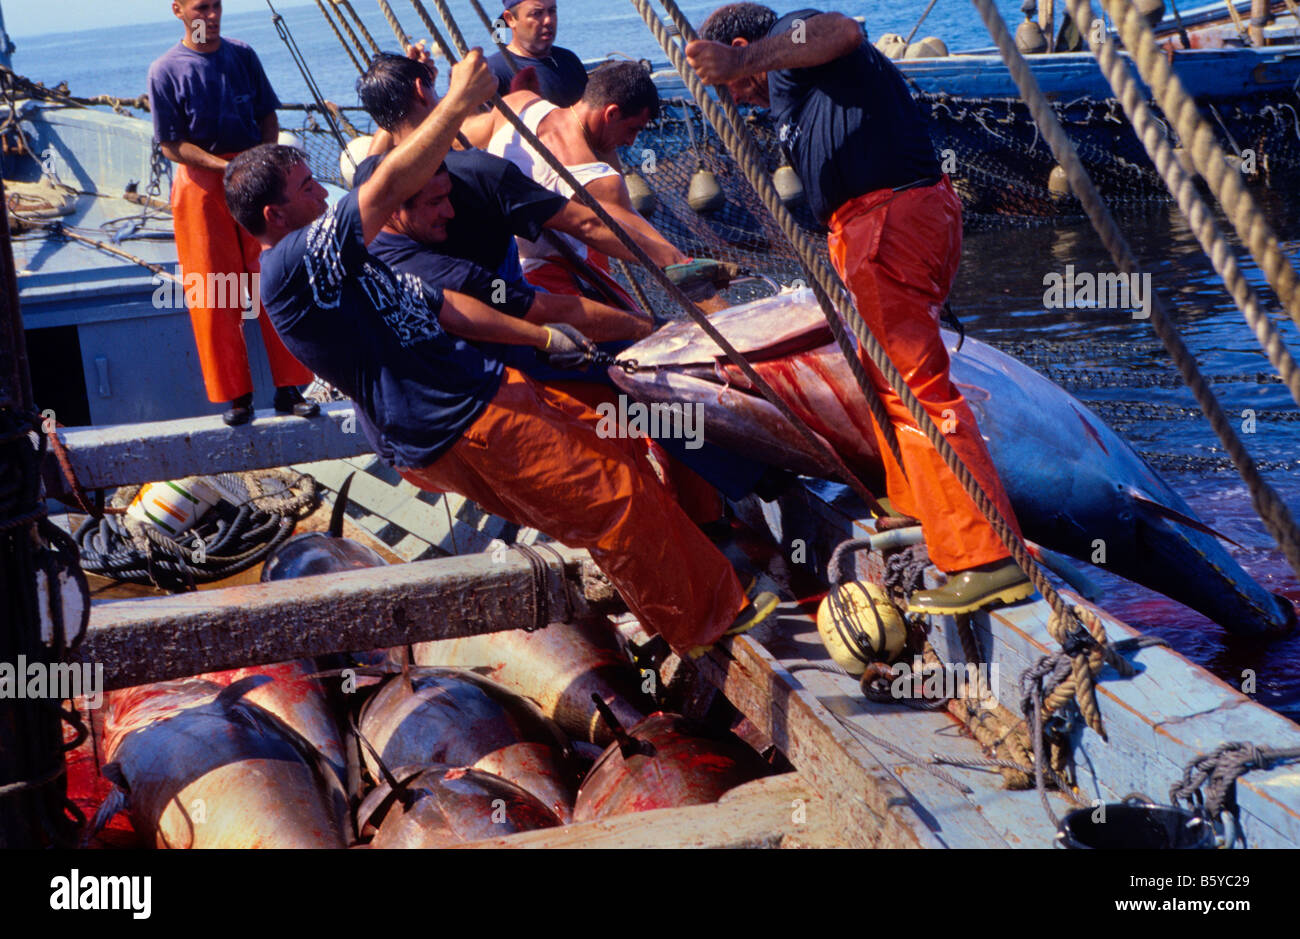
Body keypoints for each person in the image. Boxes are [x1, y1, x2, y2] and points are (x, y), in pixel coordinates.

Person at [224, 50, 775, 656]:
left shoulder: (347, 263)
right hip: (461, 418)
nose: (323, 197)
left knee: (611, 439)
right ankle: (708, 619)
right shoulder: (295, 262)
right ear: (276, 214)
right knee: (612, 497)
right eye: (308, 189)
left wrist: (540, 340)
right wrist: (456, 101)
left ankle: (674, 577)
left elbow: (443, 306)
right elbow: (383, 184)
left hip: (484, 390)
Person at [687, 5, 1033, 614]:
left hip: (888, 220)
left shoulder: (793, 49)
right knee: (884, 380)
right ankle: (919, 511)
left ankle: (987, 557)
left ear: (744, 46)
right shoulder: (795, 90)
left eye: (730, 87)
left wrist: (744, 62)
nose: (735, 101)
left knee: (915, 388)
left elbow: (841, 29)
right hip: (873, 225)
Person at [147, 0, 318, 425]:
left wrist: (258, 164)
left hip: (254, 175)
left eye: (217, 5)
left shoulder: (243, 55)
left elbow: (267, 116)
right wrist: (227, 168)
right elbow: (172, 145)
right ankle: (236, 397)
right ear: (179, 11)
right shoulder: (164, 70)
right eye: (202, 7)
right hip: (202, 188)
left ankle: (290, 389)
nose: (212, 15)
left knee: (276, 275)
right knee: (214, 291)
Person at [469, 60, 730, 311]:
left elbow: (461, 137)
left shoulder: (518, 102)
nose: (631, 141)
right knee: (643, 332)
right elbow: (664, 256)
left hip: (490, 272)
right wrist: (727, 315)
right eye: (632, 129)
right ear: (612, 112)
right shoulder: (594, 178)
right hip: (544, 278)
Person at [487, 0, 588, 107]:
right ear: (510, 19)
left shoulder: (569, 60)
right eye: (537, 14)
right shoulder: (494, 73)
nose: (548, 20)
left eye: (552, 11)